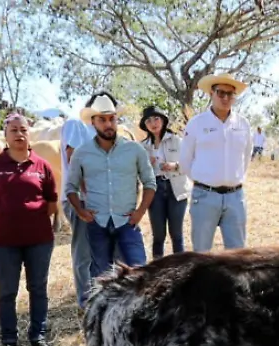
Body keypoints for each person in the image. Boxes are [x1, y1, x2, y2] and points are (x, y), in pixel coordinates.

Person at [0, 114, 58, 346]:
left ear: (29, 134)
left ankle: (38, 336)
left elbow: (52, 202)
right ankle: (9, 341)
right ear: (6, 135)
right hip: (4, 242)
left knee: (38, 288)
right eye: (13, 130)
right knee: (7, 291)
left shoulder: (42, 165)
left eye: (23, 129)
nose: (19, 134)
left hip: (39, 239)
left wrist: (32, 218)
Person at [67, 95, 153, 291]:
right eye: (102, 120)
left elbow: (150, 183)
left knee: (139, 273)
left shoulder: (134, 150)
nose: (108, 124)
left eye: (112, 119)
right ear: (93, 122)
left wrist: (140, 212)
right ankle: (102, 317)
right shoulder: (82, 153)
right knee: (101, 277)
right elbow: (70, 187)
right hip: (98, 224)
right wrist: (81, 211)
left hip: (127, 222)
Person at [61, 91, 122, 308]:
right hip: (82, 199)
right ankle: (86, 304)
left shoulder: (106, 136)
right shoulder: (76, 125)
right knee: (85, 254)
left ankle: (105, 299)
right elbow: (75, 160)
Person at [180, 72, 253, 252]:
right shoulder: (197, 123)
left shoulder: (243, 124)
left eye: (230, 94)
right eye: (221, 93)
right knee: (202, 254)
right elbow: (185, 160)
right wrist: (204, 181)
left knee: (237, 256)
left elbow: (246, 157)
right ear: (211, 94)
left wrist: (233, 179)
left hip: (235, 197)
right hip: (205, 196)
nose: (225, 98)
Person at [139, 106, 189, 258]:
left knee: (176, 234)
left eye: (156, 119)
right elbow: (138, 173)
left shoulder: (176, 140)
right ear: (145, 126)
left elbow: (188, 163)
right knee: (158, 235)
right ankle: (157, 270)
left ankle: (180, 273)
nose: (153, 123)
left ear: (163, 121)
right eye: (148, 121)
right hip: (154, 190)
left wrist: (175, 166)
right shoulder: (142, 147)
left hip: (176, 188)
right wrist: (146, 164)